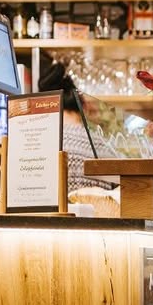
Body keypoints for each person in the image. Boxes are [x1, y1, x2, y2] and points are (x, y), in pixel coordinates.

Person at [37, 58, 120, 214]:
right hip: (100, 224)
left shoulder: (40, 143)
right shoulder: (104, 144)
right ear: (84, 106)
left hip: (49, 223)